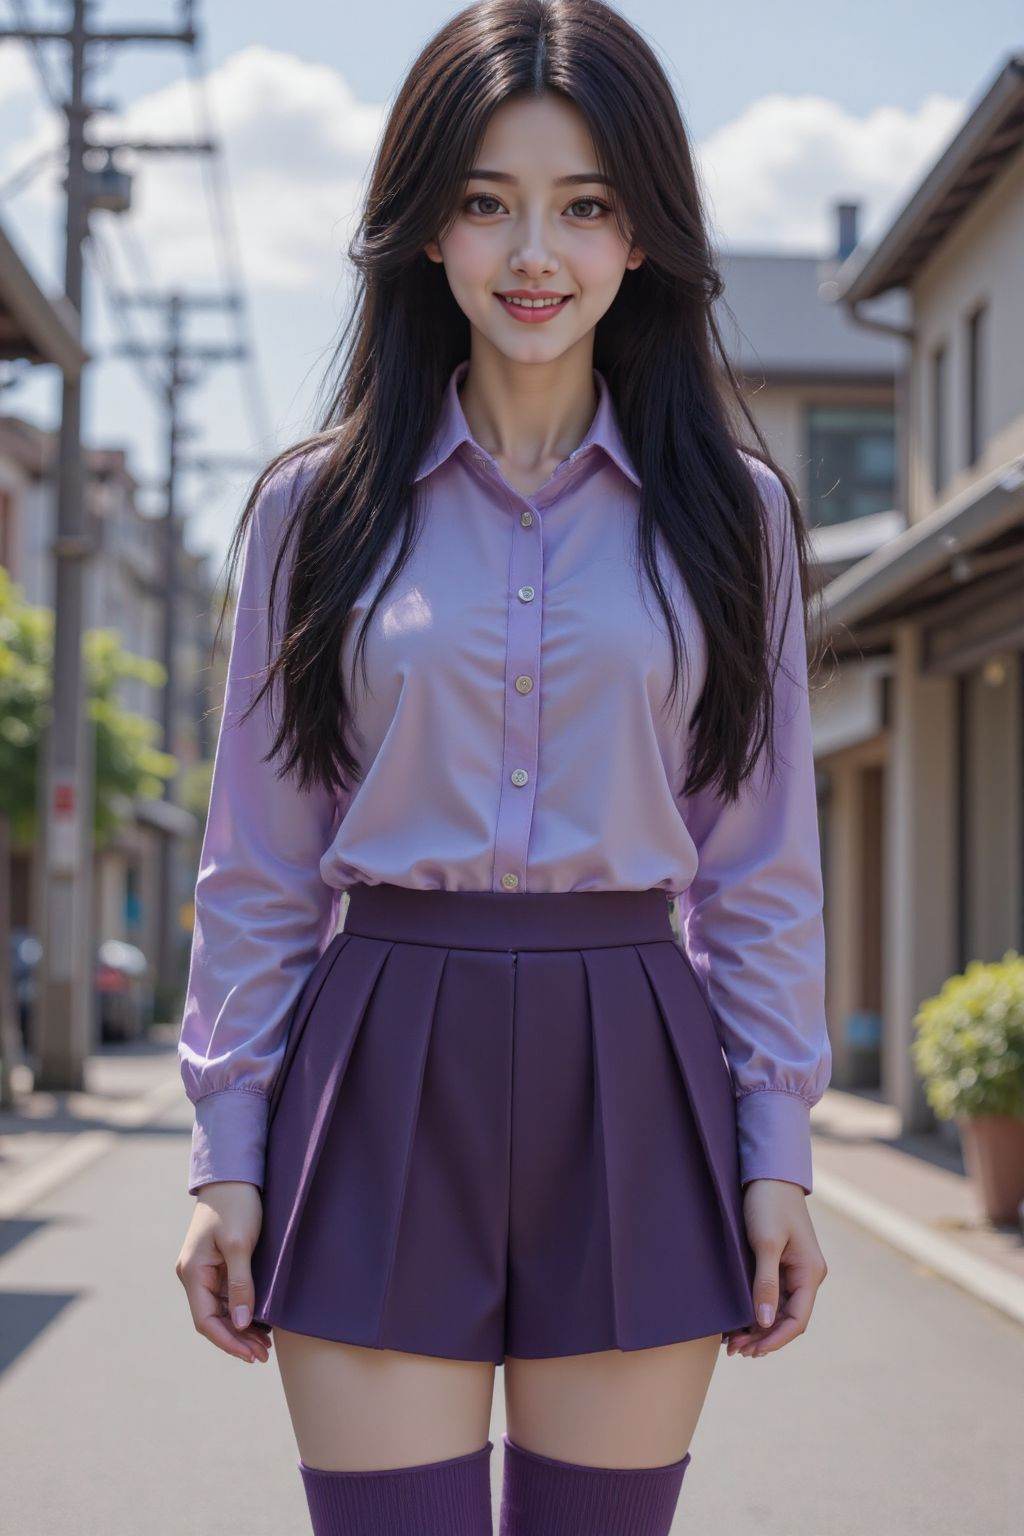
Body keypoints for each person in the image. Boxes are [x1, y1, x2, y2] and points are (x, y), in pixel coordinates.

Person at [173, 3, 832, 1532]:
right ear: (423, 230)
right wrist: (228, 1154)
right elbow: (261, 860)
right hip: (380, 1050)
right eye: (487, 201)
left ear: (645, 235)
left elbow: (758, 864)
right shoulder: (313, 512)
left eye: (585, 205)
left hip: (640, 1060)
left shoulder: (736, 521)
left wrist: (777, 1150)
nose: (535, 251)